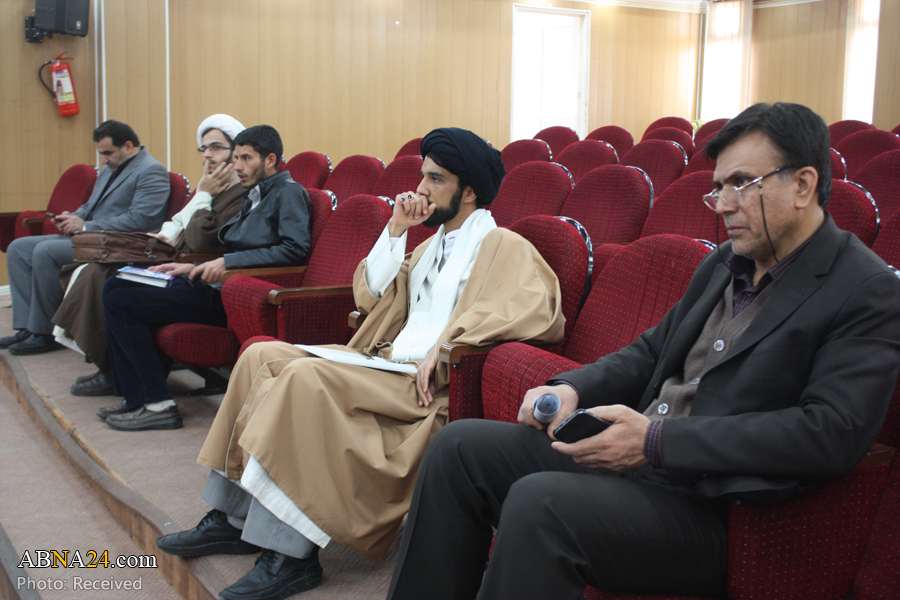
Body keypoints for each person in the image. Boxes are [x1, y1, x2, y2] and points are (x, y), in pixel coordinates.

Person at [386, 103, 900, 600]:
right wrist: (571, 387)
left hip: (724, 509)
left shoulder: (866, 289)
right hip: (642, 464)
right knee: (457, 449)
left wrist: (657, 441)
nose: (723, 204)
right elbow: (651, 351)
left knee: (540, 505)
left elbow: (830, 432)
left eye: (742, 184)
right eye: (718, 188)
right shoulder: (725, 262)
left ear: (803, 184)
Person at [155, 128, 565, 600]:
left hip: (425, 387)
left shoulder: (502, 244)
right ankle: (231, 517)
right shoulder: (430, 245)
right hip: (385, 363)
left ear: (469, 191)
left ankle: (290, 556)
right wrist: (395, 230)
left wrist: (449, 344)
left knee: (302, 379)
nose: (421, 189)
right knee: (258, 355)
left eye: (436, 179)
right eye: (423, 177)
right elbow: (369, 297)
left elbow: (536, 311)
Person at [97, 124, 312, 431]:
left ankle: (156, 405)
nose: (237, 166)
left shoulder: (289, 192)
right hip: (220, 285)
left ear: (270, 160)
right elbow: (239, 247)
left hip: (241, 296)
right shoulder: (256, 193)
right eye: (235, 158)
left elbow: (294, 250)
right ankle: (136, 397)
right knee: (117, 284)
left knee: (121, 299)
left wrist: (227, 263)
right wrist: (191, 267)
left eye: (246, 158)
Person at [52, 114, 248, 397]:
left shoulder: (239, 192)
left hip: (197, 273)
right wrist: (171, 228)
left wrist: (203, 195)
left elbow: (200, 239)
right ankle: (112, 370)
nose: (207, 154)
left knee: (110, 283)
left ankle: (128, 384)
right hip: (175, 257)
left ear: (237, 152)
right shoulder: (209, 185)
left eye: (216, 147)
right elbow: (179, 223)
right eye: (204, 148)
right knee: (100, 275)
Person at [0, 120, 170, 355]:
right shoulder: (110, 168)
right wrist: (73, 217)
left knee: (45, 252)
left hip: (117, 245)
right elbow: (91, 206)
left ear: (128, 147)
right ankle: (27, 327)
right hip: (90, 238)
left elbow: (141, 220)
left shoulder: (152, 171)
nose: (104, 159)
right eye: (101, 153)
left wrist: (86, 225)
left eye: (108, 152)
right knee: (18, 248)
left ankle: (44, 332)